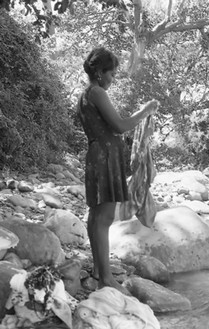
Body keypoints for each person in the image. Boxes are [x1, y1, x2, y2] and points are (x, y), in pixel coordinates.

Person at [77, 47, 158, 294]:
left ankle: (101, 272)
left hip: (99, 156)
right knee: (104, 218)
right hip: (104, 158)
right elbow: (120, 126)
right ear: (100, 73)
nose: (113, 79)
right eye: (111, 74)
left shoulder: (86, 95)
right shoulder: (98, 92)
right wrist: (145, 110)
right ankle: (106, 279)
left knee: (97, 217)